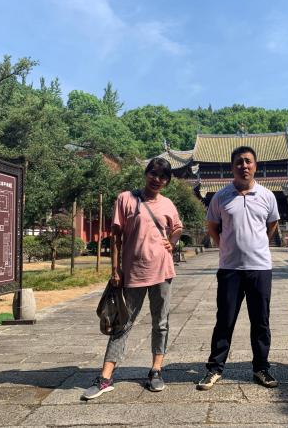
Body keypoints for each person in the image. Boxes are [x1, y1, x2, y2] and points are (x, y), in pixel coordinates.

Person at [82, 158, 183, 399]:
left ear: (167, 181)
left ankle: (156, 370)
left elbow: (177, 227)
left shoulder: (167, 203)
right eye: (153, 174)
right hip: (133, 271)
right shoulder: (125, 199)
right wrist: (115, 269)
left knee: (161, 323)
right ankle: (106, 377)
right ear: (146, 173)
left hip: (162, 270)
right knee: (122, 323)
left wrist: (173, 241)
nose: (157, 179)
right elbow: (116, 237)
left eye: (163, 177)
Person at [196, 146, 280, 390]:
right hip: (230, 268)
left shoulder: (267, 196)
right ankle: (215, 368)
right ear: (232, 167)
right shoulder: (221, 196)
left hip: (259, 267)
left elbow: (272, 224)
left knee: (260, 321)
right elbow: (212, 226)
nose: (244, 166)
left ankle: (261, 368)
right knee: (225, 319)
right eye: (239, 162)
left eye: (248, 161)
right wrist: (224, 246)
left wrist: (259, 244)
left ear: (255, 165)